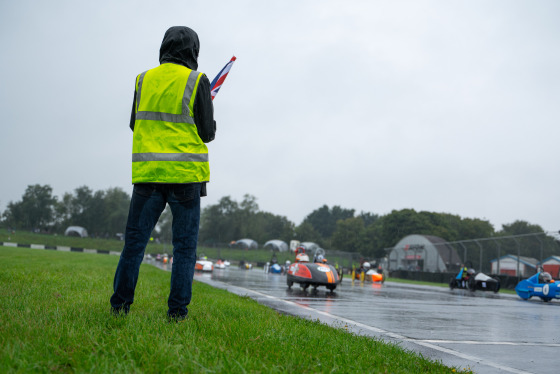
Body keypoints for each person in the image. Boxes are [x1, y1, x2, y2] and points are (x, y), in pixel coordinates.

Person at [110, 26, 216, 321]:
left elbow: (135, 124)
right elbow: (207, 133)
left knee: (134, 245)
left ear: (164, 47)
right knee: (184, 249)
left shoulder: (143, 79)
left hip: (148, 175)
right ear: (194, 50)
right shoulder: (197, 81)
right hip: (185, 177)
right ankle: (177, 314)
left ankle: (119, 307)